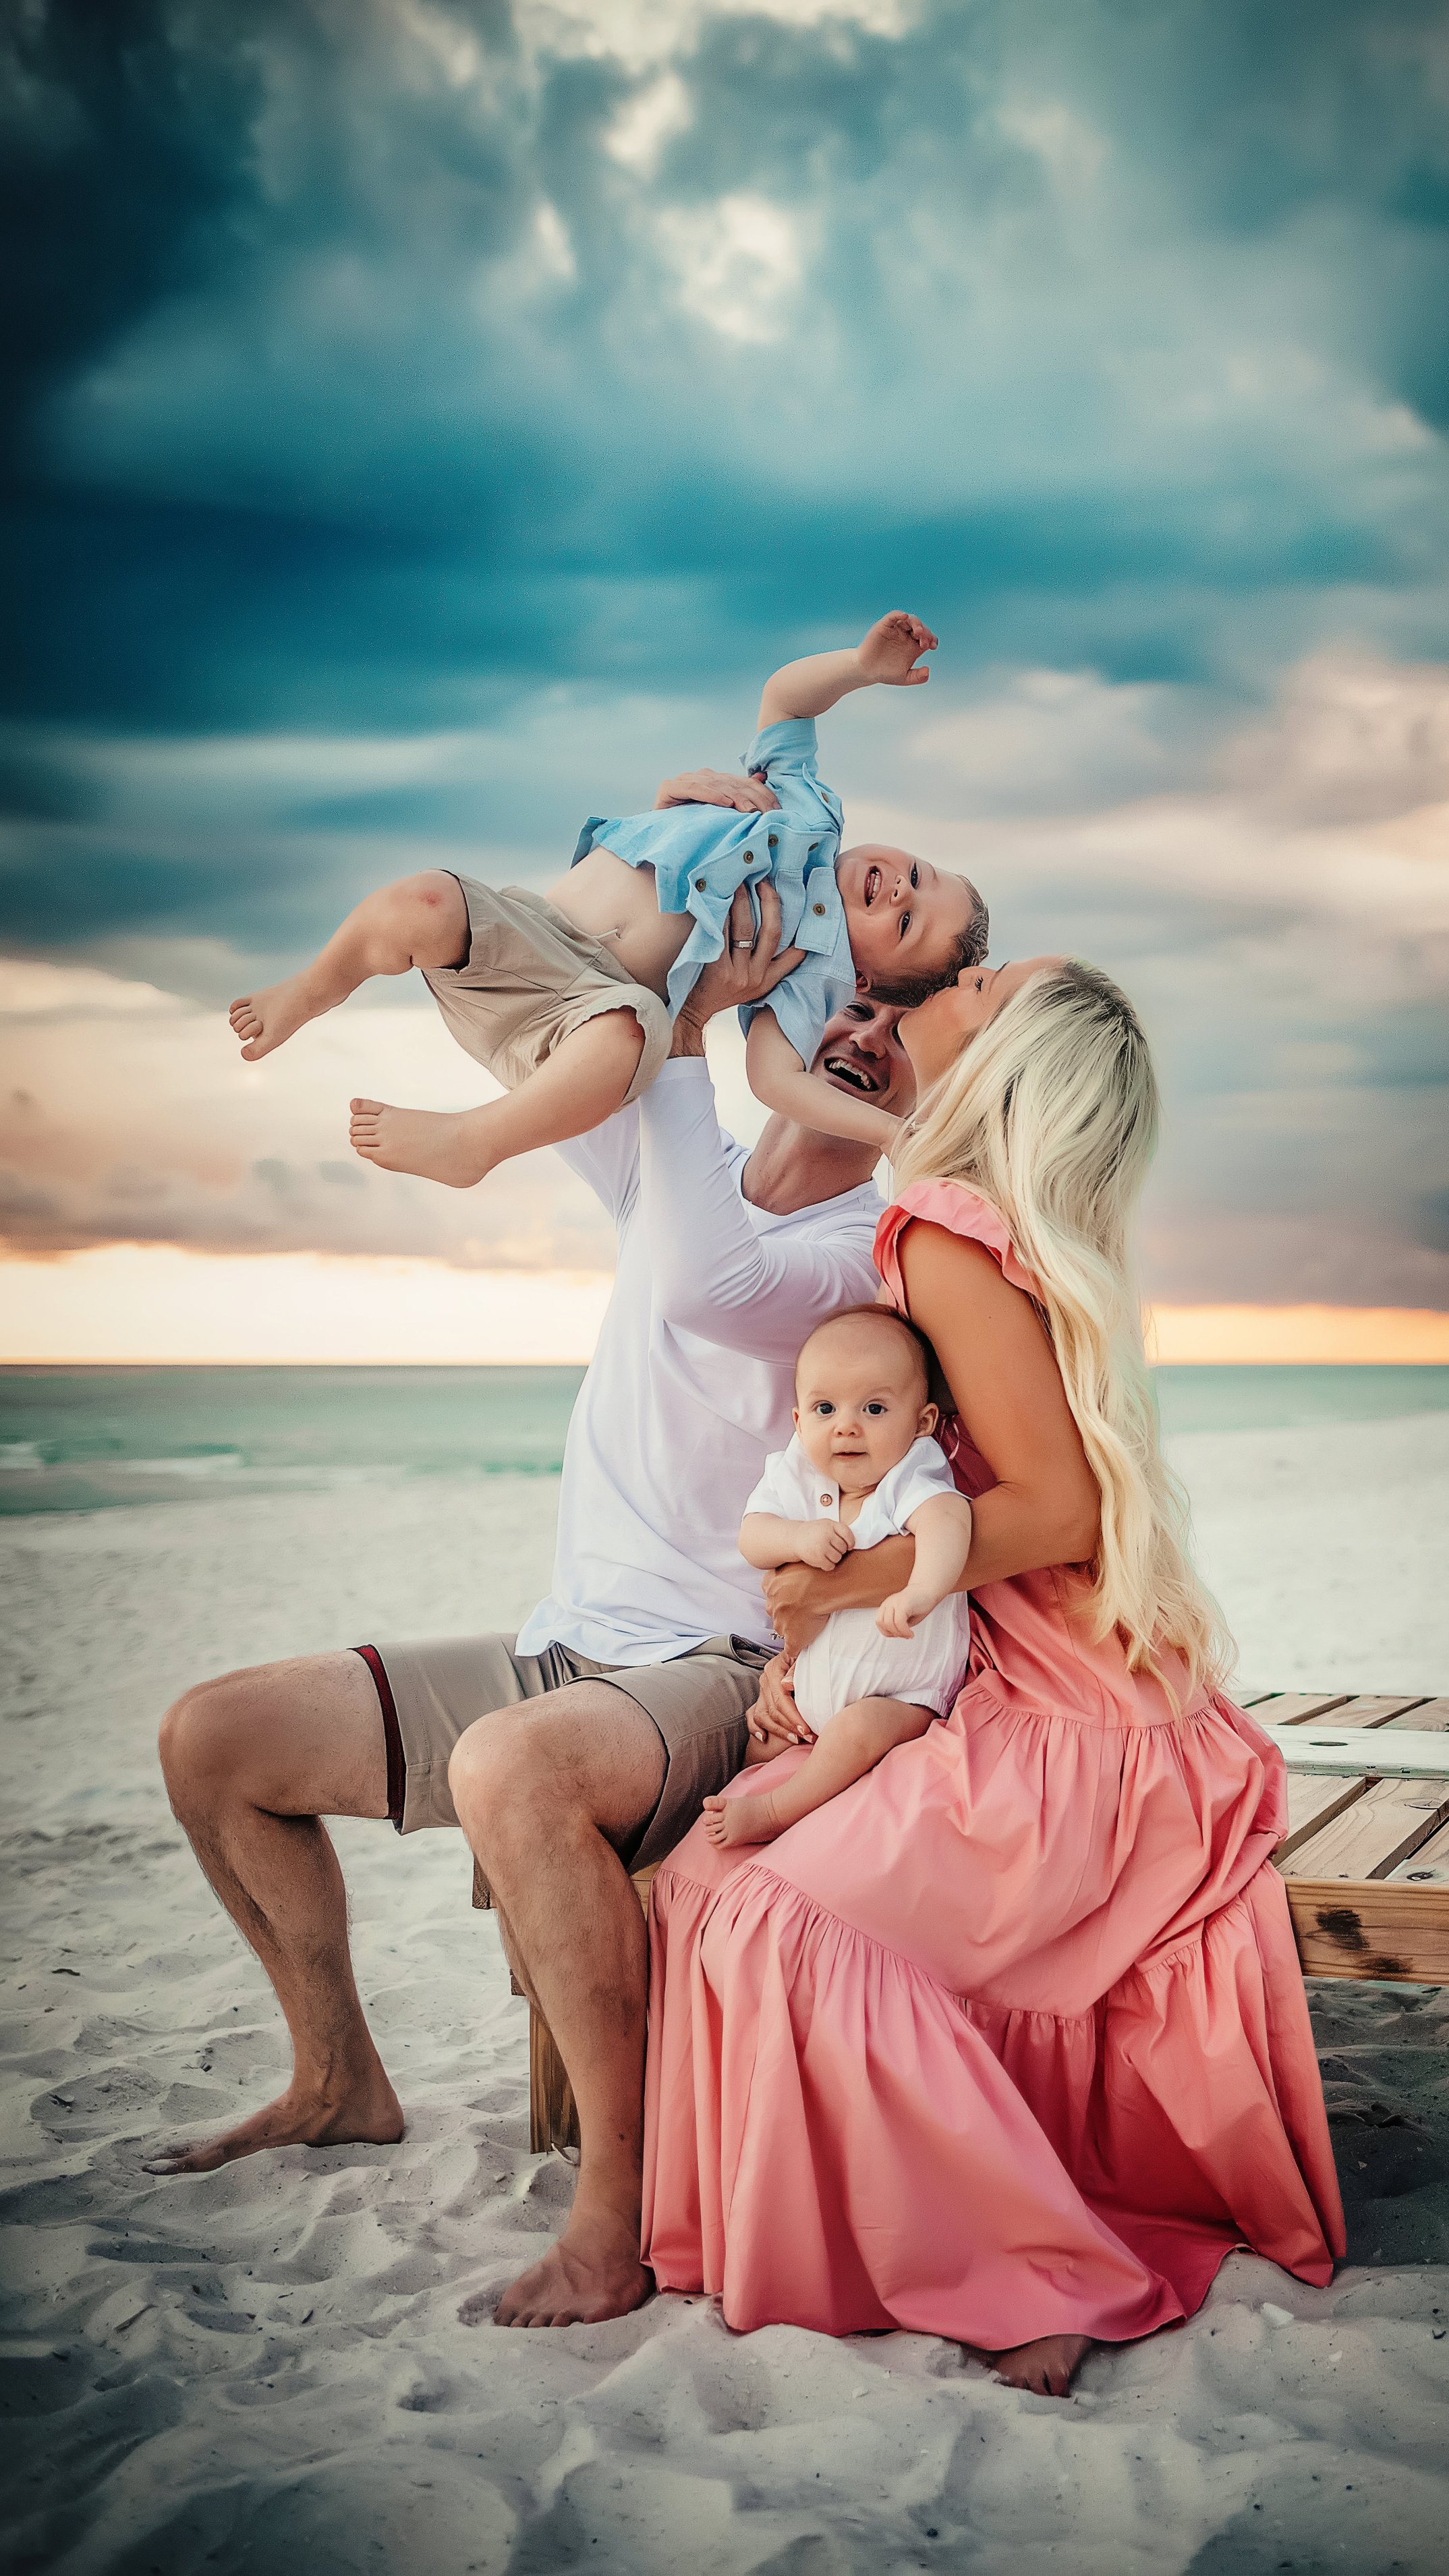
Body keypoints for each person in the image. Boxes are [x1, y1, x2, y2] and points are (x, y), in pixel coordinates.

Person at [152, 820, 919, 2335]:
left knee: (510, 1764)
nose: (865, 1035)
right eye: (852, 1000)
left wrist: (692, 1035)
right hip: (563, 1645)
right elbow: (560, 1024)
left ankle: (612, 2215)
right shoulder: (681, 1172)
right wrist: (637, 875)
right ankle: (337, 2078)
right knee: (213, 1739)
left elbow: (710, 1274)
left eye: (901, 1034)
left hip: (709, 1668)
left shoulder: (864, 1254)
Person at [643, 954, 1345, 2397]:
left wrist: (834, 1587)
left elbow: (1062, 1511)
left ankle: (1027, 2266)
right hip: (1031, 1678)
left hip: (1070, 1710)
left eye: (982, 979)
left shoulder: (945, 1229)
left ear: (1007, 1055)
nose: (949, 979)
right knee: (714, 1873)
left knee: (773, 1906)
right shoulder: (984, 1223)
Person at [228, 612, 987, 1184]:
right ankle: (315, 987)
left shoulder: (807, 969)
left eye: (906, 922)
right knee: (424, 898)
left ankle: (475, 1142)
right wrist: (859, 667)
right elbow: (786, 700)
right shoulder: (807, 805)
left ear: (864, 977)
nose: (900, 890)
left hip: (579, 1016)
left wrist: (891, 1136)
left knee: (632, 1031)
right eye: (919, 875)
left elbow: (774, 1082)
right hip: (522, 934)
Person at [704, 1305, 971, 1851]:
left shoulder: (908, 1473)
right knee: (762, 1737)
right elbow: (753, 1536)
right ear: (800, 1420)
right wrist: (797, 1537)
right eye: (825, 1408)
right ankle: (746, 1802)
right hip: (812, 1687)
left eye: (874, 1408)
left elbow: (948, 1520)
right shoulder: (796, 1471)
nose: (846, 1425)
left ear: (922, 1422)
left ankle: (775, 1812)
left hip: (901, 1696)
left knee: (855, 1732)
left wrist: (923, 1589)